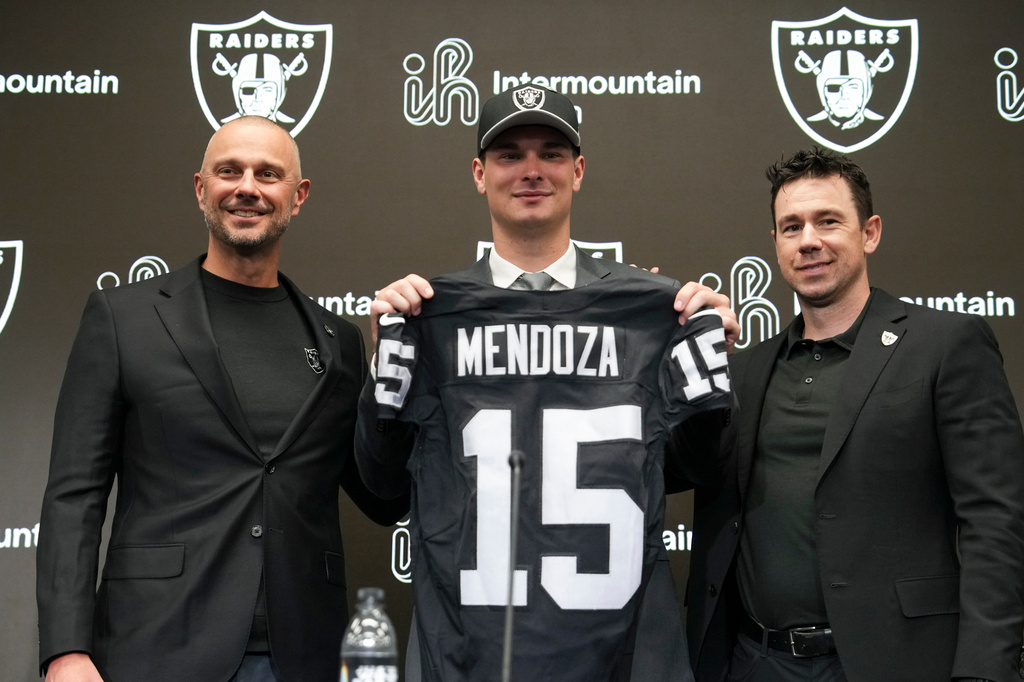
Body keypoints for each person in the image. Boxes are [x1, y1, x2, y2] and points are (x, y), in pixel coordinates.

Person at [356, 85, 737, 681]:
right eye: (509, 155)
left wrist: (702, 355)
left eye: (552, 154)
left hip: (624, 655)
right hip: (471, 657)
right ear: (479, 174)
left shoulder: (656, 316)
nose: (531, 171)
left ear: (578, 170)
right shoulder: (426, 317)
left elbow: (700, 469)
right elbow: (380, 487)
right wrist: (387, 358)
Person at [36, 116, 408, 682]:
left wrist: (386, 379)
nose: (247, 188)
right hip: (154, 648)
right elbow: (73, 495)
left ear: (298, 196)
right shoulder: (122, 319)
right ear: (200, 188)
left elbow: (384, 500)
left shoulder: (340, 342)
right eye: (229, 171)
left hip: (303, 655)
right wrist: (65, 650)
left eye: (268, 174)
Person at [682, 147, 1024, 682]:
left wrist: (985, 669)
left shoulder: (946, 345)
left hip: (896, 663)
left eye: (828, 221)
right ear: (775, 244)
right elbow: (680, 469)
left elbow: (996, 521)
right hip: (754, 662)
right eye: (791, 227)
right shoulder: (742, 371)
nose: (809, 240)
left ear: (870, 232)